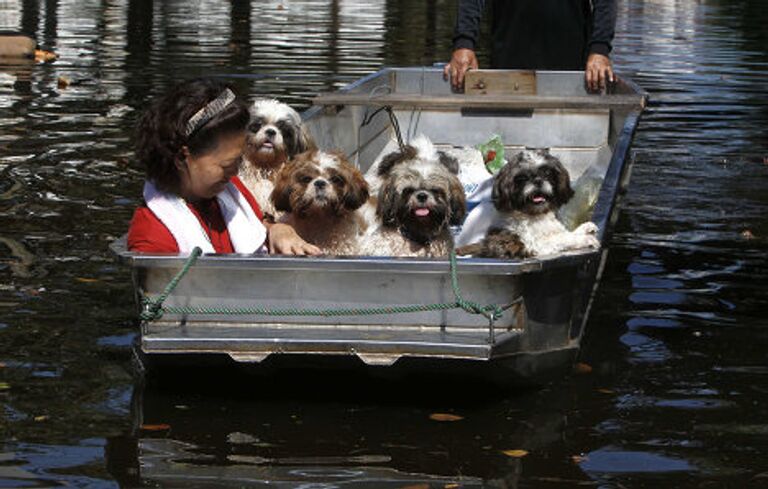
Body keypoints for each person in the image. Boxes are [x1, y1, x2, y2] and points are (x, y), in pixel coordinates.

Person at [127, 78, 320, 256]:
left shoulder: (230, 189)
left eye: (239, 161)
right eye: (228, 164)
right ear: (182, 157)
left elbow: (258, 222)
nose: (236, 172)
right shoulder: (152, 237)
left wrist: (277, 230)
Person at [443, 0, 617, 92]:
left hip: (570, 70)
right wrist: (464, 44)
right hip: (509, 63)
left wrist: (599, 50)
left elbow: (605, 3)